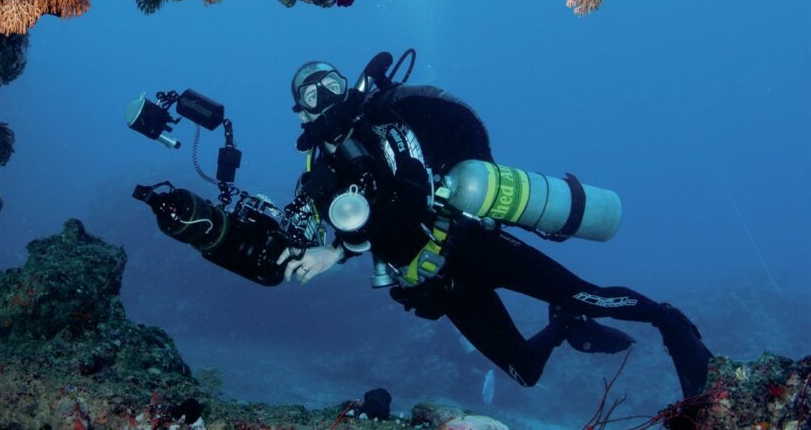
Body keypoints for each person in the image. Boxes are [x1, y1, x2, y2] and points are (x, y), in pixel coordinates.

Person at [276, 56, 714, 401]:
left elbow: (411, 198)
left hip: (473, 247)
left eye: (330, 84)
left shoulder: (385, 126)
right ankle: (563, 326)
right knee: (524, 372)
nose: (325, 96)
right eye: (311, 94)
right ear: (301, 114)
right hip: (436, 286)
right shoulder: (317, 174)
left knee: (589, 296)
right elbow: (306, 231)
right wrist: (296, 247)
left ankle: (669, 322)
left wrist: (337, 252)